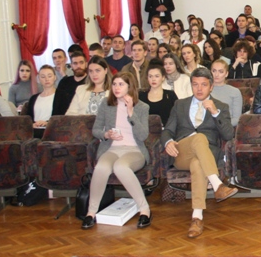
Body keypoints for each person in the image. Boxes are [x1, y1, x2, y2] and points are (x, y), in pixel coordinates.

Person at [162, 68, 238, 238]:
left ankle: (197, 217)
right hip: (182, 152)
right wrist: (168, 142)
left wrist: (215, 113)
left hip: (206, 155)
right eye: (195, 84)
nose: (199, 89)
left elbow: (228, 135)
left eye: (204, 85)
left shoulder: (221, 106)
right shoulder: (180, 105)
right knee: (199, 137)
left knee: (198, 163)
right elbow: (167, 130)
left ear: (211, 87)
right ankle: (217, 184)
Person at [81, 72, 152, 230]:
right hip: (112, 149)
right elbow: (96, 129)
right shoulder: (106, 104)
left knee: (121, 167)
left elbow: (143, 135)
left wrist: (131, 112)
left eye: (121, 84)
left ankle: (145, 210)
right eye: (114, 84)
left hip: (134, 150)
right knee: (101, 167)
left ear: (129, 86)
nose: (116, 88)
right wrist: (106, 134)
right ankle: (91, 212)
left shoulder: (142, 107)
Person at [139, 62, 177, 126]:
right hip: (146, 130)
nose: (153, 79)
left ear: (163, 77)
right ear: (147, 78)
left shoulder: (170, 95)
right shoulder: (141, 96)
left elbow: (177, 116)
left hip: (167, 130)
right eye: (150, 76)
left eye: (157, 76)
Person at [24, 65, 57, 139]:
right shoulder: (33, 98)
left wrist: (47, 123)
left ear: (55, 77)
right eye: (43, 77)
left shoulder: (62, 96)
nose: (46, 79)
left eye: (49, 76)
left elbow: (62, 117)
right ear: (38, 79)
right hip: (33, 132)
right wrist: (32, 124)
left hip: (52, 131)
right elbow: (28, 118)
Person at [209, 60, 243, 126]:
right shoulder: (203, 90)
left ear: (226, 74)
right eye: (214, 71)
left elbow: (237, 119)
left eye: (221, 71)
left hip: (225, 127)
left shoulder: (235, 92)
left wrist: (220, 125)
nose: (216, 74)